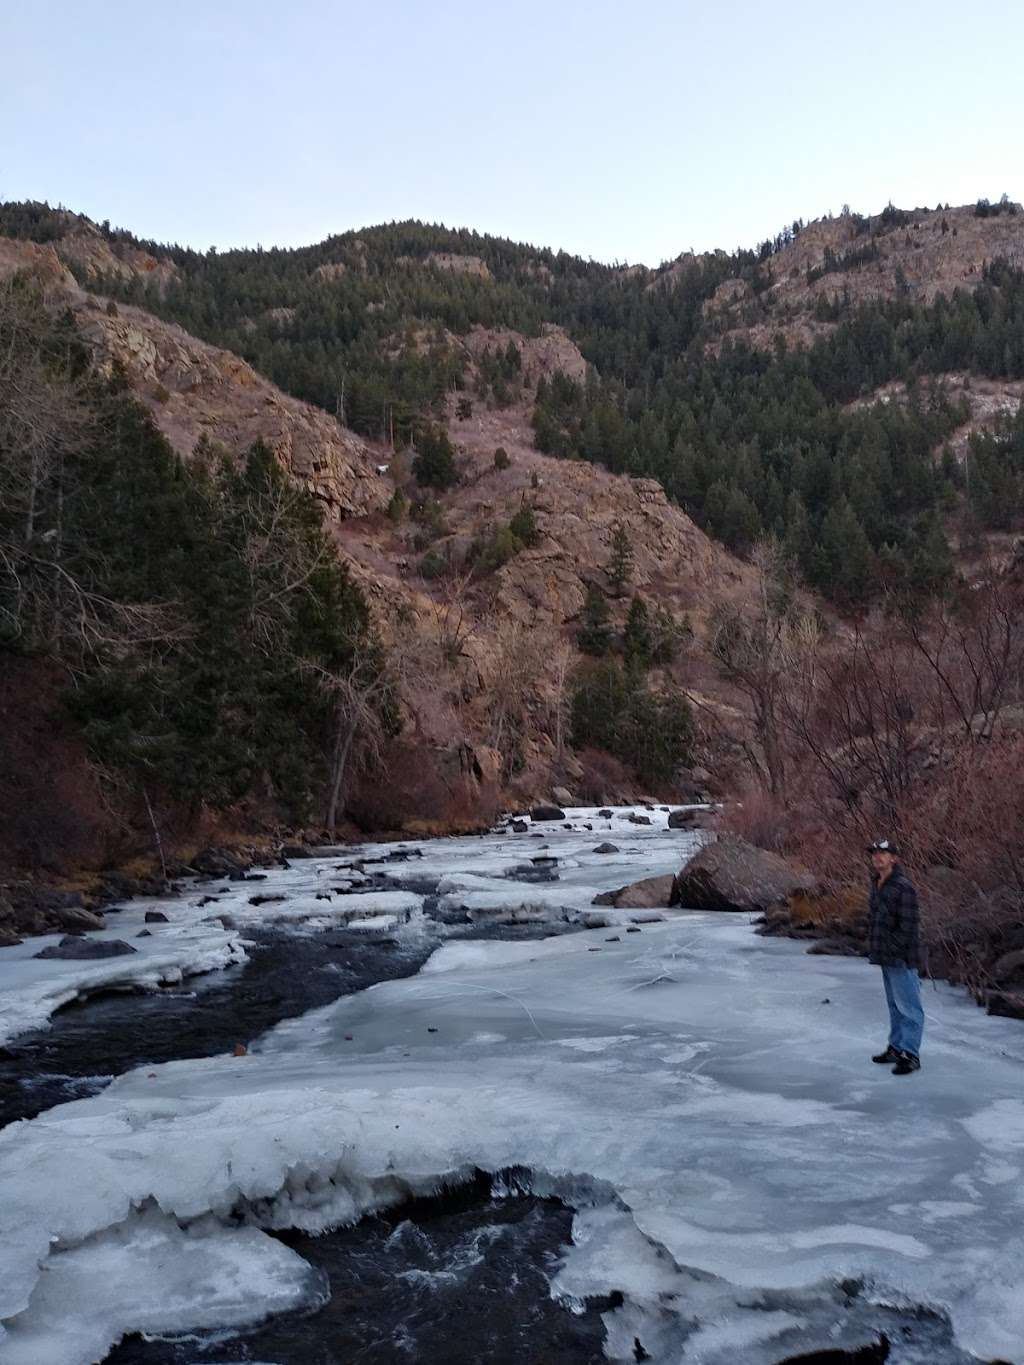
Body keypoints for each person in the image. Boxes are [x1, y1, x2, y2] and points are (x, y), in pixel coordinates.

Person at [866, 838, 923, 1076]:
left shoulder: (903, 886)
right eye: (875, 853)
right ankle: (896, 1047)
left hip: (901, 958)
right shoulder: (878, 883)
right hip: (885, 957)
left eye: (884, 853)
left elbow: (909, 925)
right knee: (894, 1006)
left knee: (909, 1007)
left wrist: (893, 950)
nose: (878, 856)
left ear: (894, 859)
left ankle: (911, 1055)